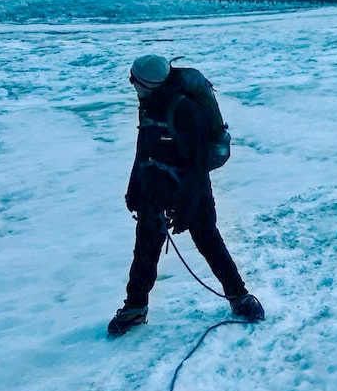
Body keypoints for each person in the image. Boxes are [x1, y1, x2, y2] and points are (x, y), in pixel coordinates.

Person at [108, 55, 264, 337]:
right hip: (155, 186)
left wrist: (185, 204)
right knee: (146, 247)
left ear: (148, 83)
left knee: (207, 239)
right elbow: (144, 145)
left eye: (134, 79)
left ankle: (239, 297)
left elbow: (198, 163)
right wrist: (135, 186)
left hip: (191, 187)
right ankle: (134, 308)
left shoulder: (185, 109)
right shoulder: (149, 103)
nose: (131, 83)